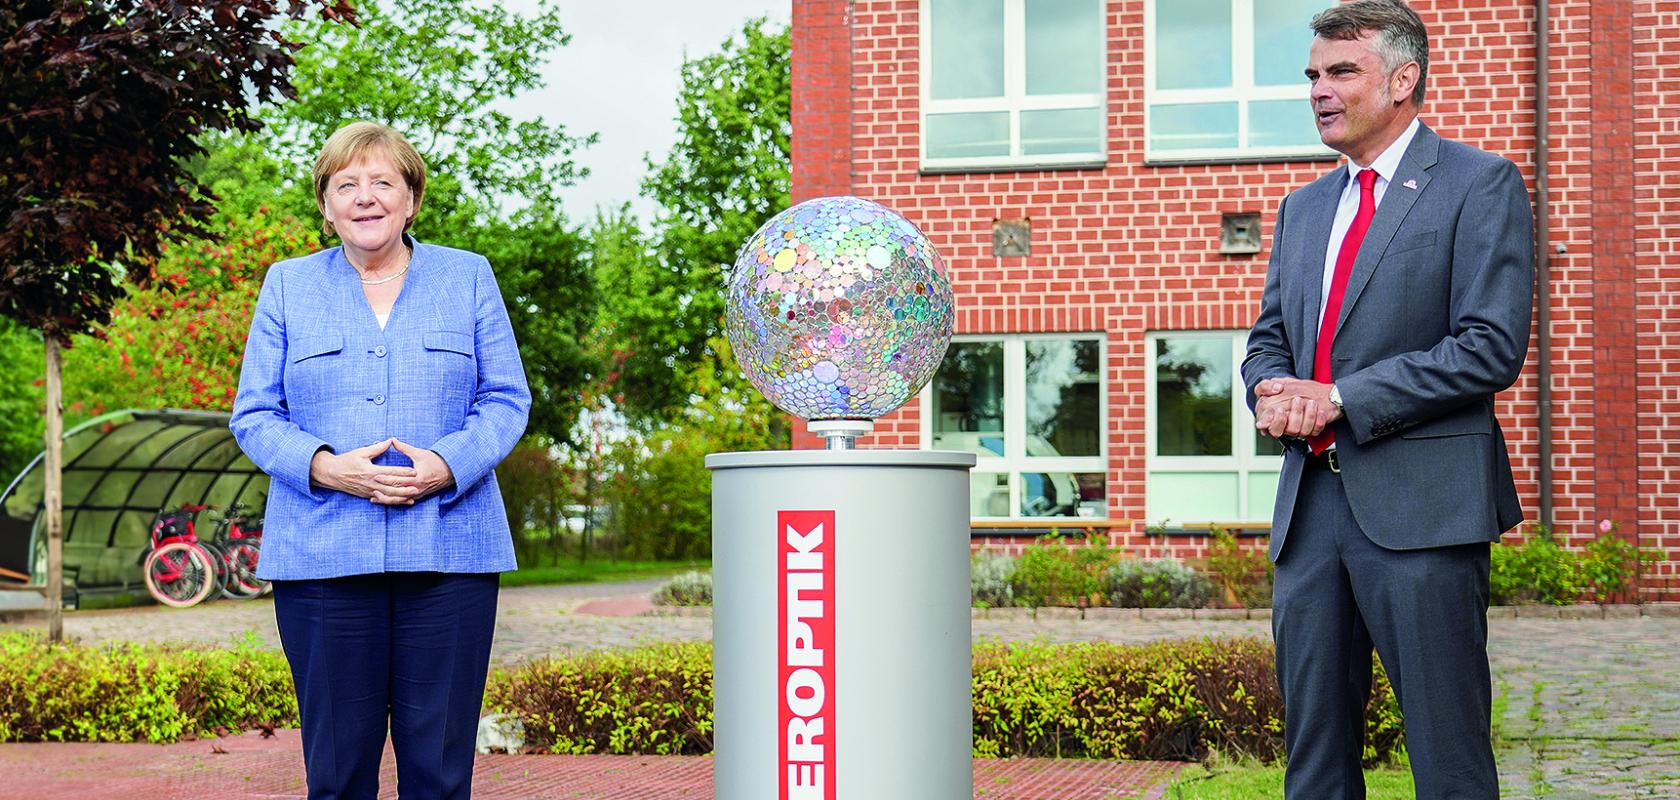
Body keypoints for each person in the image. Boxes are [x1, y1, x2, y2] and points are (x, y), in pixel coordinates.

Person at [1242, 2, 1534, 797]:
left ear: (1404, 80)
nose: (1318, 90)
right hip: (1309, 521)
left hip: (1424, 516)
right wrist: (1271, 389)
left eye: (1342, 71)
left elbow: (1488, 347)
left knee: (1448, 762)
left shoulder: (1479, 183)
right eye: (1312, 74)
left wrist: (1336, 396)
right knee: (1316, 764)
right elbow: (1269, 338)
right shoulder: (1304, 210)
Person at [231, 121, 530, 799]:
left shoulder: (468, 277)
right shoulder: (288, 286)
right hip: (322, 561)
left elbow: (506, 399)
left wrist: (447, 466)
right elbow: (254, 414)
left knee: (440, 773)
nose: (366, 198)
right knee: (336, 774)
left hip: (450, 557)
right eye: (348, 185)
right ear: (327, 205)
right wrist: (327, 467)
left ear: (411, 199)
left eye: (382, 183)